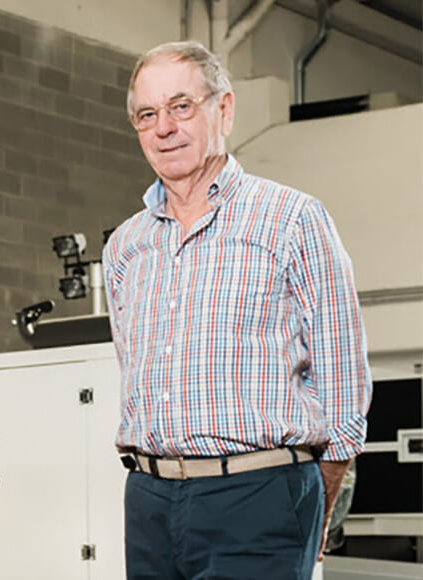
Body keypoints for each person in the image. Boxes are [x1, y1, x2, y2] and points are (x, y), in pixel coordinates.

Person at [102, 41, 371, 579]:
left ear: (222, 109)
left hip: (259, 495)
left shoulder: (291, 219)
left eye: (181, 106)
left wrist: (320, 493)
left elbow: (342, 376)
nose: (164, 128)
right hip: (150, 499)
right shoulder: (125, 246)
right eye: (147, 115)